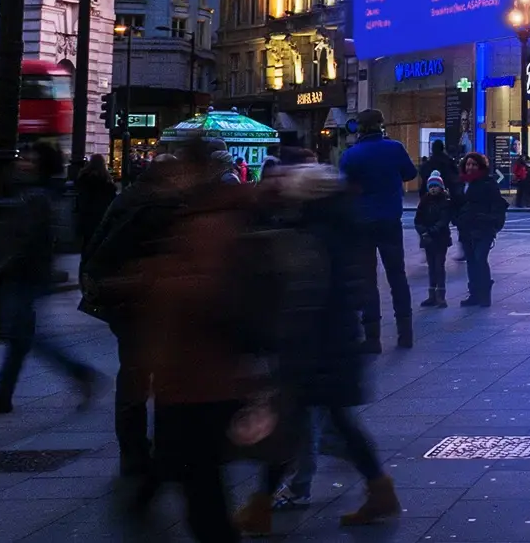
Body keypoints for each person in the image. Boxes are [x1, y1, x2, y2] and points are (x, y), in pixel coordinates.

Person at [236, 151, 400, 530]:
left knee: (291, 424)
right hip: (335, 342)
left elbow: (303, 296)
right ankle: (379, 491)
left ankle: (260, 507)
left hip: (313, 348)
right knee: (331, 422)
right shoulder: (338, 227)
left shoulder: (313, 235)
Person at [134, 138, 257, 542]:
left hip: (202, 374)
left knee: (201, 485)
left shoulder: (207, 221)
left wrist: (157, 278)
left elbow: (204, 291)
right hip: (197, 373)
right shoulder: (206, 213)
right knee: (198, 477)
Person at [0, 144, 100, 414]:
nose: (23, 163)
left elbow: (26, 244)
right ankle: (3, 393)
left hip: (25, 274)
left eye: (30, 160)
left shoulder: (35, 197)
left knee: (26, 336)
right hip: (28, 272)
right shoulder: (32, 193)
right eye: (23, 158)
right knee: (20, 338)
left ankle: (79, 373)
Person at [83, 155, 187, 484]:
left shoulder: (126, 198)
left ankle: (132, 451)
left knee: (132, 378)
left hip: (123, 304)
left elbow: (96, 244)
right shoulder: (160, 206)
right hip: (149, 304)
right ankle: (160, 451)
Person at [337, 109, 417, 352]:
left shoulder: (351, 155)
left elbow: (344, 186)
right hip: (390, 219)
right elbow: (411, 173)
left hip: (362, 221)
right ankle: (405, 334)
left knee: (368, 279)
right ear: (381, 125)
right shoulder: (395, 148)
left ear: (359, 129)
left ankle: (372, 338)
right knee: (397, 275)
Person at [454, 152, 505, 307]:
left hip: (483, 228)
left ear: (480, 166)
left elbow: (497, 205)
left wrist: (493, 223)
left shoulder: (488, 183)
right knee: (471, 261)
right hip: (466, 228)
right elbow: (455, 204)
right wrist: (456, 219)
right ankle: (474, 294)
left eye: (474, 164)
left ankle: (484, 294)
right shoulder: (461, 183)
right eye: (468, 164)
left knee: (480, 259)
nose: (470, 167)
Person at [415, 170, 455, 308]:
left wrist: (430, 231)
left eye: (435, 186)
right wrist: (423, 231)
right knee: (431, 267)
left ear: (441, 187)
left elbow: (444, 220)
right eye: (431, 186)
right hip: (428, 239)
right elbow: (418, 220)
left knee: (439, 266)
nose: (433, 188)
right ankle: (432, 295)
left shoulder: (444, 202)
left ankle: (440, 296)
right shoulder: (424, 201)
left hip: (440, 238)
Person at [73, 153, 118, 261]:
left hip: (87, 217)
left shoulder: (83, 178)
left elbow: (81, 199)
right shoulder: (107, 182)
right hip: (101, 217)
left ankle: (83, 269)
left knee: (86, 245)